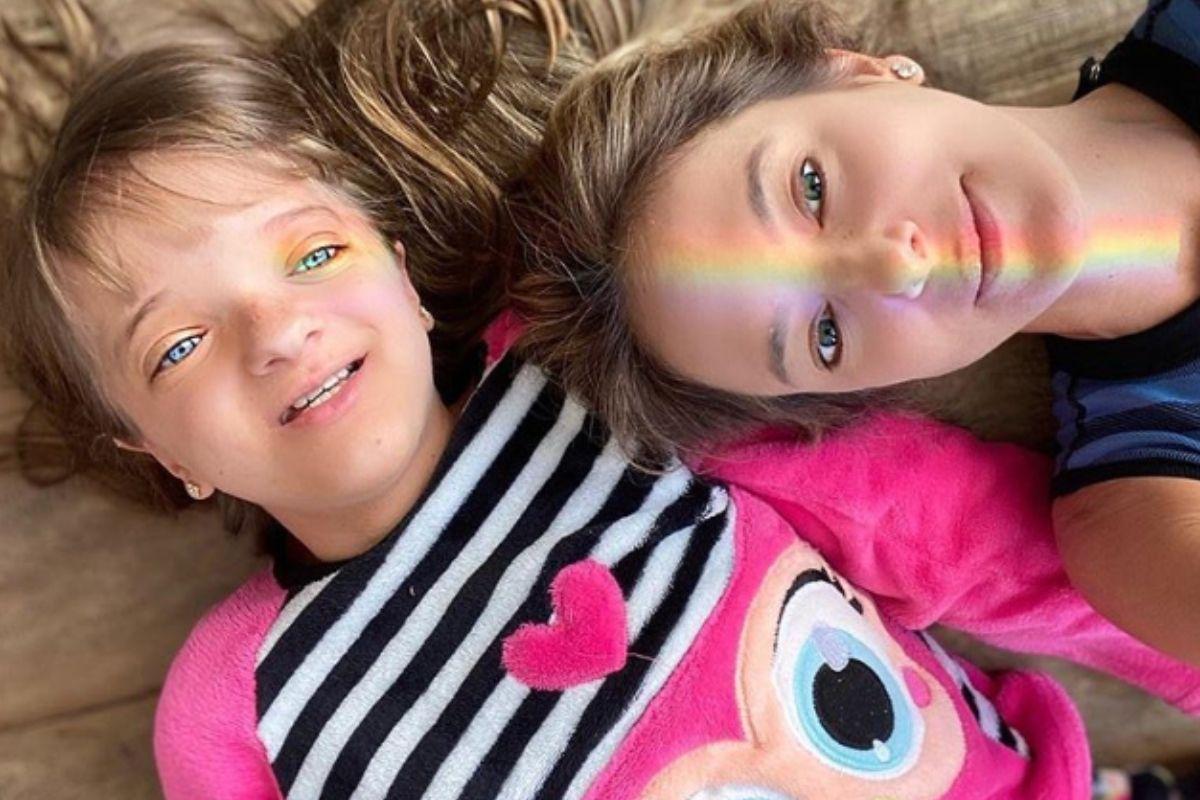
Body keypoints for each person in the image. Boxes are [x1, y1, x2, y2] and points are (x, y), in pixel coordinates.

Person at [1, 2, 1195, 798]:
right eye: (180, 344)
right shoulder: (232, 704)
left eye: (313, 254)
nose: (278, 333)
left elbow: (970, 544)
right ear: (157, 450)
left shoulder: (611, 391)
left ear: (404, 277)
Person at [504, 0, 1200, 665]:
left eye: (811, 188)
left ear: (854, 69)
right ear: (867, 389)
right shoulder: (1145, 527)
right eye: (827, 336)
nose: (900, 267)